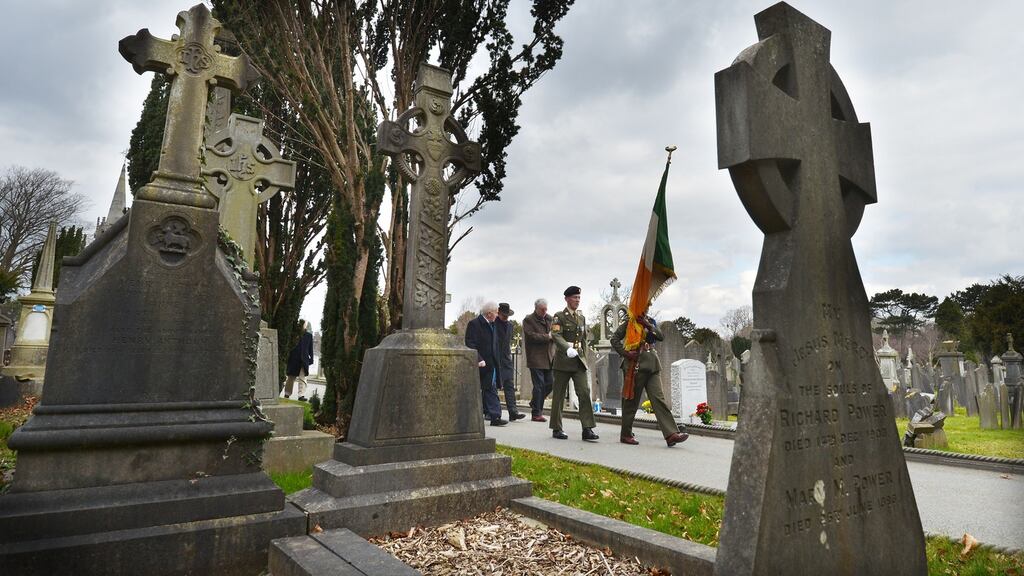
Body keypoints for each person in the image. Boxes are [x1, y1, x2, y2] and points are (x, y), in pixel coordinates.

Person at [611, 312, 688, 447]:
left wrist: (648, 325)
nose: (645, 309)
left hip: (652, 365)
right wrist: (626, 354)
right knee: (631, 402)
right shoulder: (629, 323)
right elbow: (614, 340)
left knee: (659, 400)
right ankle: (626, 434)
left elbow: (660, 336)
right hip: (635, 365)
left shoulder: (650, 321)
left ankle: (671, 434)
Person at [550, 286, 598, 441]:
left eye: (579, 297)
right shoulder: (559, 316)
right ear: (567, 299)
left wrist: (584, 357)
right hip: (564, 361)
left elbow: (583, 339)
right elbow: (556, 335)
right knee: (558, 396)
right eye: (574, 297)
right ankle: (557, 428)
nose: (577, 300)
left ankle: (587, 428)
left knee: (584, 392)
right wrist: (566, 348)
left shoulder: (581, 318)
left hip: (578, 362)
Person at [464, 301, 508, 426]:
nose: (497, 315)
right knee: (478, 390)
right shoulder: (474, 324)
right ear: (489, 314)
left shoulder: (493, 324)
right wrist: (478, 358)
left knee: (491, 389)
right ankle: (478, 415)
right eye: (496, 312)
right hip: (480, 363)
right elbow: (470, 343)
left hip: (491, 363)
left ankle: (495, 416)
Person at [522, 298, 554, 421]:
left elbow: (555, 332)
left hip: (548, 357)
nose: (545, 311)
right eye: (542, 309)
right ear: (536, 308)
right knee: (539, 385)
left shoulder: (549, 319)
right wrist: (548, 337)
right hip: (535, 357)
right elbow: (531, 336)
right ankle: (536, 413)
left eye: (546, 309)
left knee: (550, 384)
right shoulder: (529, 320)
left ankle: (535, 401)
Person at [495, 303, 526, 421]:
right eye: (503, 315)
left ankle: (513, 412)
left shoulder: (510, 326)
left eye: (507, 316)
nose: (505, 318)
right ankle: (490, 411)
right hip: (495, 358)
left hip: (506, 359)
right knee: (492, 385)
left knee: (509, 385)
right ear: (498, 313)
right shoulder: (493, 324)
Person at [285, 319, 314, 401]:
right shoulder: (294, 334)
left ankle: (301, 395)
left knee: (302, 378)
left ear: (306, 325)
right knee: (291, 377)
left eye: (305, 324)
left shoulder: (309, 336)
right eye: (302, 324)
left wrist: (311, 359)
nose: (303, 325)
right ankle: (287, 393)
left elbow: (310, 349)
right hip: (294, 358)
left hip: (304, 360)